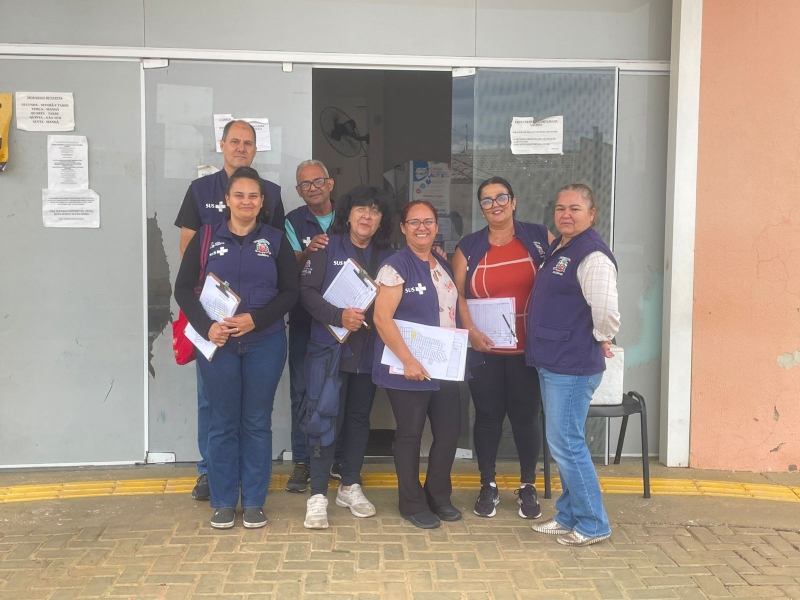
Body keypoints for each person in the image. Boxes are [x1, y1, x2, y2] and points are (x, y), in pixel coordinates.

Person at [174, 167, 298, 529]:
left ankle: (255, 500)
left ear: (262, 202)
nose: (246, 202)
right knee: (222, 422)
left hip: (265, 343)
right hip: (219, 344)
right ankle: (224, 500)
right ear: (227, 200)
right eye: (239, 195)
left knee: (257, 421)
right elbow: (183, 289)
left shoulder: (275, 240)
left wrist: (255, 320)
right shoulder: (206, 237)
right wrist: (207, 327)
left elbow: (290, 292)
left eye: (253, 196)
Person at [452, 177, 554, 520]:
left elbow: (560, 282)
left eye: (501, 198)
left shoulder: (538, 237)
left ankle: (528, 485)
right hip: (485, 349)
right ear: (481, 208)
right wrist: (470, 332)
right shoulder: (469, 246)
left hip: (529, 350)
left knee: (526, 418)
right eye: (487, 200)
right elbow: (458, 294)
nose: (495, 205)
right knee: (487, 417)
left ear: (513, 202)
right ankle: (487, 484)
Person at [527, 183, 620, 547]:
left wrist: (603, 335)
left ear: (591, 214)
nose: (566, 214)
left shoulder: (592, 254)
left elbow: (606, 309)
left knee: (567, 443)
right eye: (561, 208)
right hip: (555, 360)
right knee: (563, 443)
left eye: (575, 208)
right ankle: (569, 515)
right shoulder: (562, 246)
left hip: (572, 363)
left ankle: (594, 523)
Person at [298, 185, 395, 529]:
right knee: (323, 418)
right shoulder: (327, 246)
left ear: (381, 219)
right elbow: (306, 292)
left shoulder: (389, 255)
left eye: (375, 210)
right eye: (360, 209)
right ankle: (318, 494)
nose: (367, 216)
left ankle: (350, 485)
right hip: (329, 350)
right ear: (348, 214)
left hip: (367, 352)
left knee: (358, 418)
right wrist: (338, 316)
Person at [372, 201, 463, 530]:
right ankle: (411, 502)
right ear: (403, 227)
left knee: (449, 431)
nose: (421, 227)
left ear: (437, 226)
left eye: (428, 221)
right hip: (407, 366)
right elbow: (381, 318)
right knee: (410, 434)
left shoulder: (441, 262)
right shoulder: (395, 267)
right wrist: (408, 360)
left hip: (444, 364)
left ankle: (438, 495)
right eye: (414, 222)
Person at [283, 160, 338, 493]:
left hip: (345, 321)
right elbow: (288, 269)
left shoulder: (350, 215)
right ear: (299, 191)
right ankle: (303, 460)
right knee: (303, 392)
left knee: (342, 390)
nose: (313, 188)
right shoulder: (292, 220)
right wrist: (307, 251)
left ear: (330, 183)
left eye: (318, 181)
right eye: (305, 184)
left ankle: (340, 460)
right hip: (306, 320)